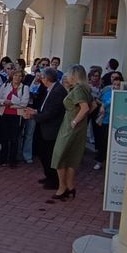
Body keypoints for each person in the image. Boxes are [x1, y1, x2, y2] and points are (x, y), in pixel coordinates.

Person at [48, 64, 91, 202]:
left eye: (69, 74)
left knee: (60, 156)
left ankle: (62, 187)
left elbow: (85, 108)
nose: (67, 76)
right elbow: (93, 105)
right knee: (71, 157)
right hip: (78, 127)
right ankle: (70, 186)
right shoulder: (84, 89)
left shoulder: (78, 89)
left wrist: (74, 121)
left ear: (75, 75)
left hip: (71, 127)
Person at [33, 68, 67, 190]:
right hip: (45, 125)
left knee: (50, 154)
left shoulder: (58, 90)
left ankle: (54, 180)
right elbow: (45, 107)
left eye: (42, 77)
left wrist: (35, 116)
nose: (40, 79)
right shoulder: (49, 89)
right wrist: (36, 111)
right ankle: (49, 175)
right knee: (43, 152)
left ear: (46, 78)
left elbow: (52, 111)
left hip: (52, 127)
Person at [0, 67, 31, 168]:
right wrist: (4, 102)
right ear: (12, 76)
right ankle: (2, 159)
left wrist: (11, 103)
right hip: (4, 114)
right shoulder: (5, 85)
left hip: (17, 115)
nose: (17, 78)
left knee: (14, 138)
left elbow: (24, 103)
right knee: (4, 137)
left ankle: (12, 160)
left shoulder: (25, 88)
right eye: (15, 75)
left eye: (20, 76)